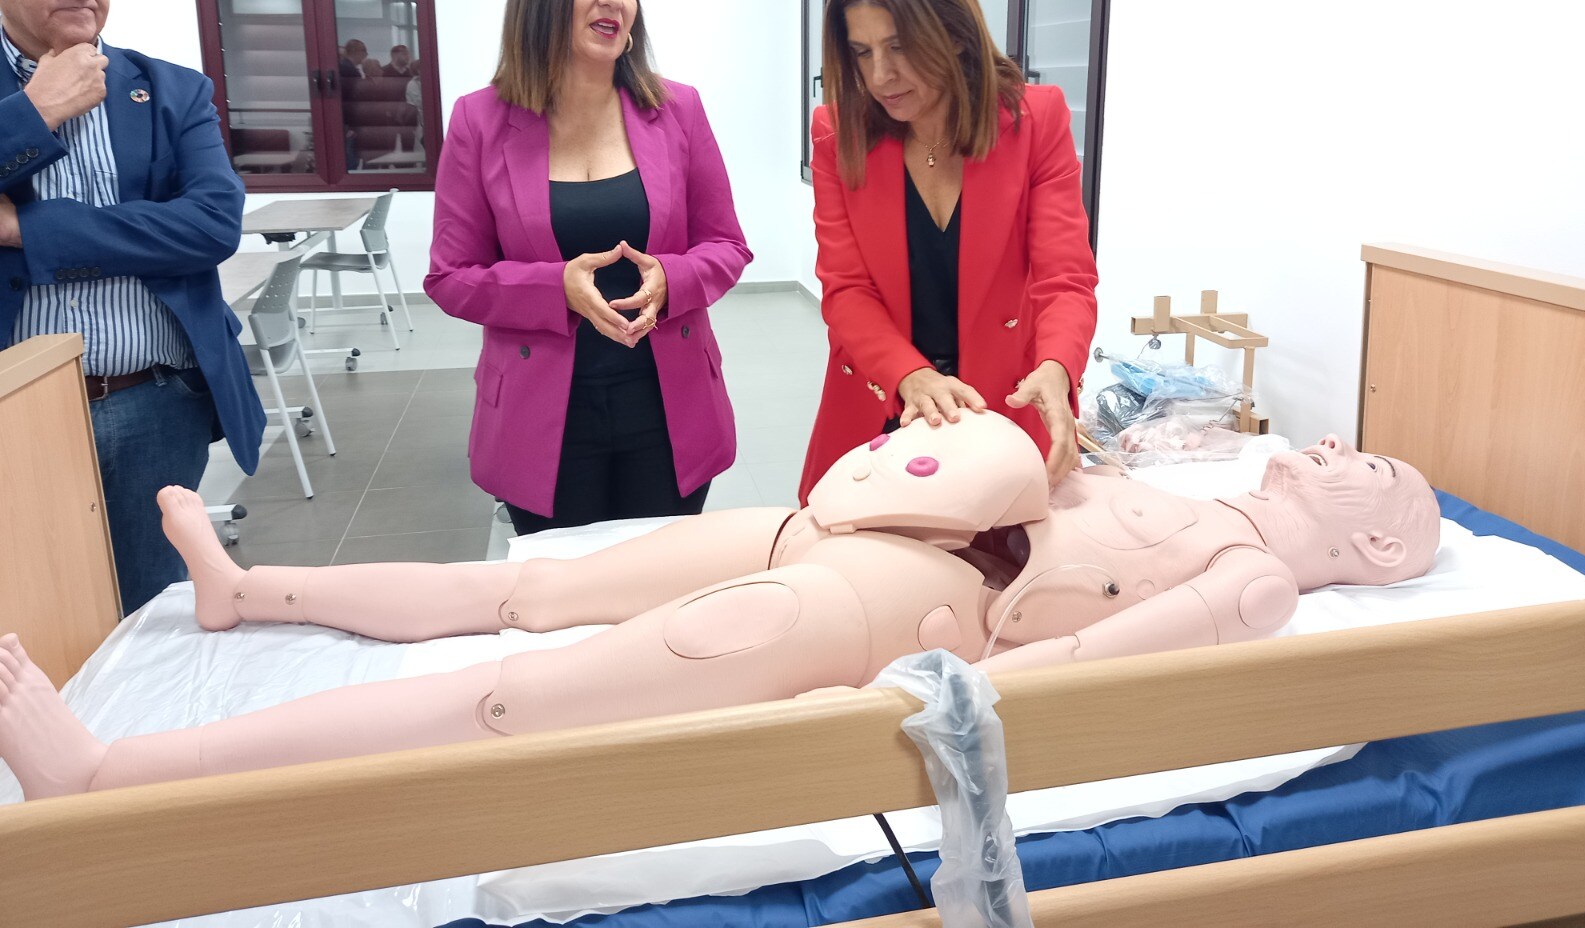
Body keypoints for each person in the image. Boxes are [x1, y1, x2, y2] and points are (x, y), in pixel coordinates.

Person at [0, 413, 1440, 799]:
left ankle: (109, 775)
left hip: (912, 602)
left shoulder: (1251, 580)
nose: (1329, 447)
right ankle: (253, 590)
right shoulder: (1199, 474)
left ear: (1375, 549)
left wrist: (882, 714)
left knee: (523, 696)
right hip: (857, 522)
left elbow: (1074, 677)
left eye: (1361, 466)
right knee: (531, 585)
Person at [425, 0, 750, 533]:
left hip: (666, 409)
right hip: (541, 416)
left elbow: (727, 245)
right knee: (557, 605)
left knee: (660, 596)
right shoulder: (480, 120)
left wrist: (672, 279)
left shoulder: (677, 109)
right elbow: (451, 277)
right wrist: (556, 289)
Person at [0, 0, 265, 614]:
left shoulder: (172, 89)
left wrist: (26, 227)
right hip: (15, 409)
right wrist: (34, 114)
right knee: (37, 619)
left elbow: (211, 224)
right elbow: (171, 227)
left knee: (157, 612)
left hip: (153, 402)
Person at [801, 0, 1099, 502]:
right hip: (885, 405)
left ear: (956, 35)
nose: (881, 75)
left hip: (1000, 411)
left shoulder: (1036, 122)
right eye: (862, 53)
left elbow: (1065, 278)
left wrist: (1058, 368)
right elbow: (846, 290)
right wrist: (910, 375)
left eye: (900, 46)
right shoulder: (840, 135)